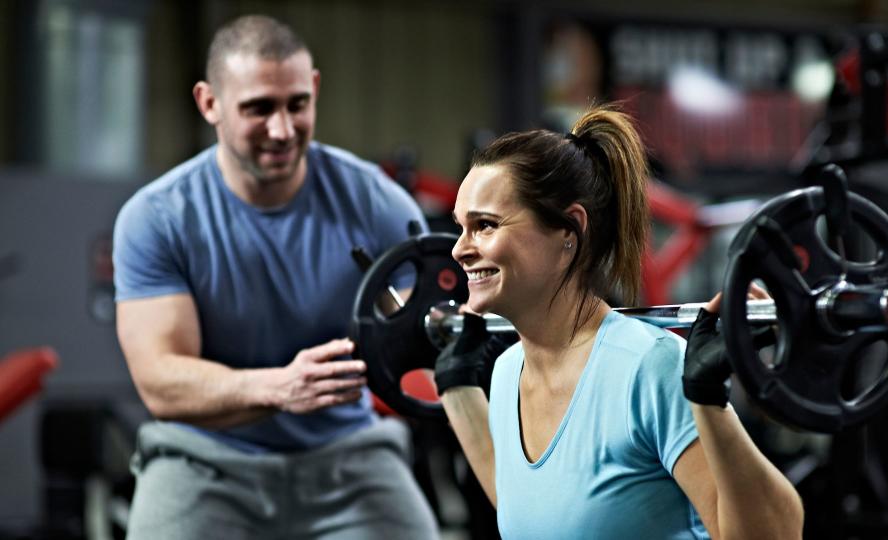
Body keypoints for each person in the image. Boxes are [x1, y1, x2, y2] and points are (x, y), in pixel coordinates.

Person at [112, 14, 439, 539]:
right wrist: (281, 387)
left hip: (347, 456)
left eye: (296, 104)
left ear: (313, 89)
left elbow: (423, 331)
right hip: (202, 461)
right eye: (259, 108)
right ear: (209, 103)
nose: (283, 129)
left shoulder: (377, 203)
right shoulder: (157, 218)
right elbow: (162, 385)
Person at [435, 104, 804, 539]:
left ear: (569, 231)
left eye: (485, 226)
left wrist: (708, 401)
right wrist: (458, 388)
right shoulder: (505, 373)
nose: (460, 249)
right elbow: (543, 517)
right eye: (461, 227)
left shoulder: (649, 368)